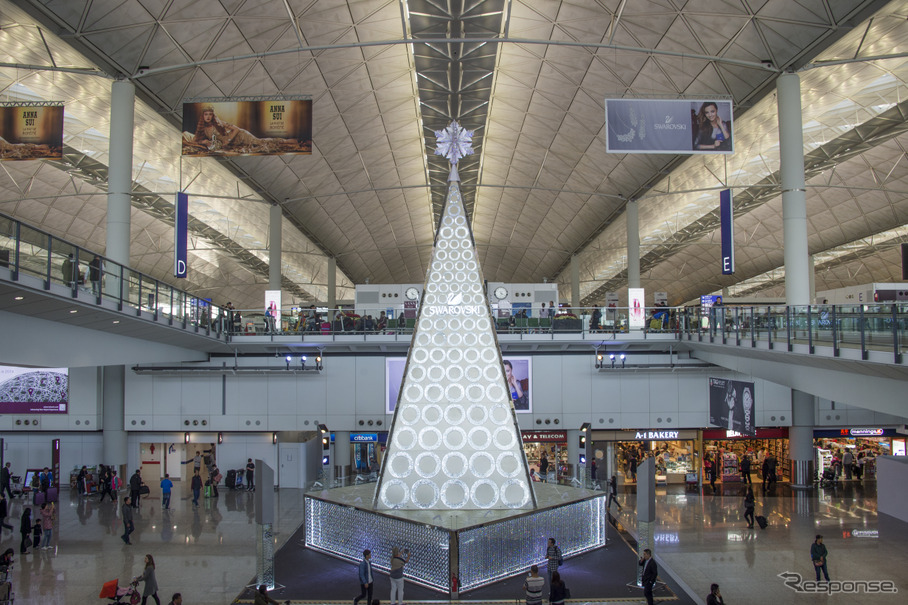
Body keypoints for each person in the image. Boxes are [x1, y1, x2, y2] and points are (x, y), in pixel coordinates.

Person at [189, 106, 292, 152]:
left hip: (241, 136)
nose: (208, 117)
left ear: (213, 116)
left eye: (210, 114)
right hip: (234, 144)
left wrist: (228, 140)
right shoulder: (203, 129)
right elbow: (196, 139)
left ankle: (286, 141)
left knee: (260, 142)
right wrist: (204, 141)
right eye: (206, 114)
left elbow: (236, 129)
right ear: (202, 116)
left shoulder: (220, 123)